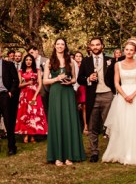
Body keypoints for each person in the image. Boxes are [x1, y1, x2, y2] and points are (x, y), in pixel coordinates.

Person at [44, 38, 85, 166]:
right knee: (57, 121)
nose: (60, 46)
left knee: (69, 121)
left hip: (68, 92)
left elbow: (74, 79)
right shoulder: (49, 61)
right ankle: (57, 156)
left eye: (62, 44)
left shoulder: (70, 61)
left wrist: (69, 81)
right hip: (56, 93)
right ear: (54, 46)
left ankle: (70, 155)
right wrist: (57, 78)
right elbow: (45, 81)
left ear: (65, 46)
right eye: (58, 44)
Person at [77, 37, 116, 163]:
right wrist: (88, 78)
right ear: (90, 47)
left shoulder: (110, 60)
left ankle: (113, 151)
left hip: (108, 94)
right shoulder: (86, 61)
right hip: (92, 96)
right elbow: (79, 79)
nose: (95, 47)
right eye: (93, 45)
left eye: (97, 44)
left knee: (110, 124)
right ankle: (94, 152)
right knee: (92, 125)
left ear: (102, 46)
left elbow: (116, 77)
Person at [15, 53, 48, 142]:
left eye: (30, 60)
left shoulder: (37, 70)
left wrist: (35, 96)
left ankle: (33, 135)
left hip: (35, 94)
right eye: (26, 60)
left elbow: (40, 84)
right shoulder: (20, 71)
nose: (28, 61)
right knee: (25, 114)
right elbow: (19, 85)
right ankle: (25, 134)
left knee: (34, 114)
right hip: (24, 95)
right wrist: (27, 83)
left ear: (33, 61)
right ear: (24, 61)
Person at [72, 50, 88, 132]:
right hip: (74, 87)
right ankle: (76, 126)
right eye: (77, 56)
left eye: (80, 56)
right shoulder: (72, 65)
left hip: (82, 88)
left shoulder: (85, 65)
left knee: (84, 107)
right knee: (75, 107)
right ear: (74, 57)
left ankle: (85, 125)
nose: (78, 57)